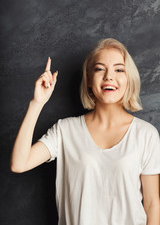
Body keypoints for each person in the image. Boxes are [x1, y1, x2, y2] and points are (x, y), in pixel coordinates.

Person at [10, 38, 160, 225]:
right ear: (89, 80)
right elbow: (19, 163)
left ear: (128, 79)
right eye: (99, 69)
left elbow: (152, 204)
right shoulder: (65, 130)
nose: (109, 76)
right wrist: (37, 103)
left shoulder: (146, 135)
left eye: (119, 69)